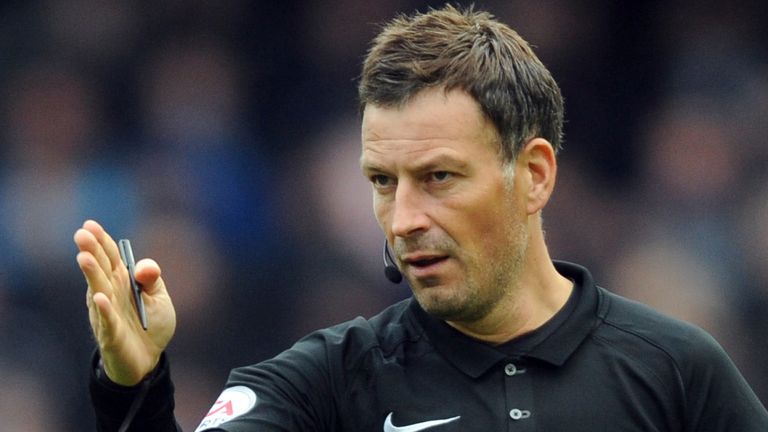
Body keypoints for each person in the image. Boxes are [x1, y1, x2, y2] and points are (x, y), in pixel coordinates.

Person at [73, 5, 768, 431]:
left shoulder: (679, 372)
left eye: (439, 177)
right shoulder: (323, 382)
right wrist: (134, 389)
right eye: (382, 181)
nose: (402, 218)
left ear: (533, 176)